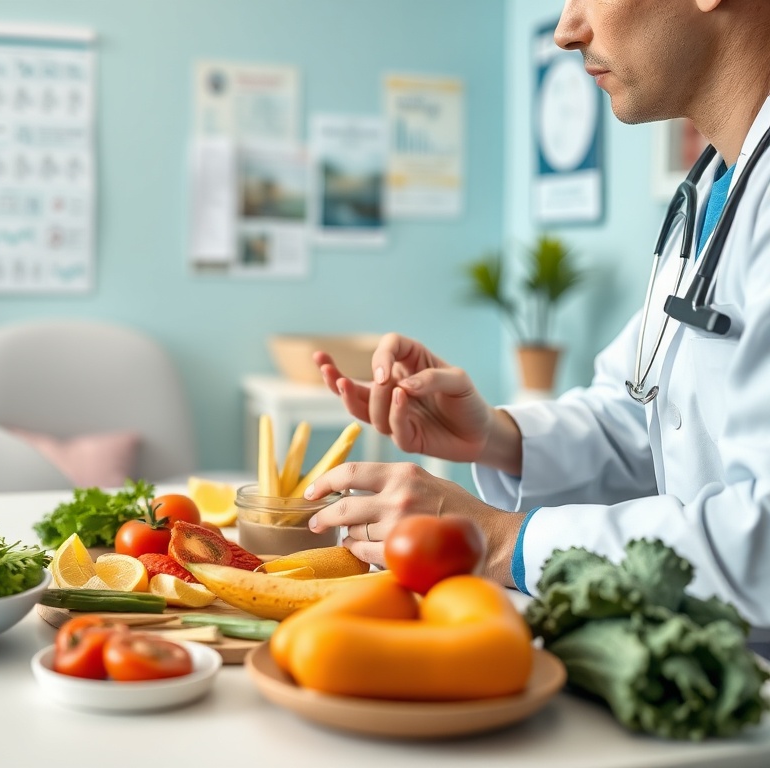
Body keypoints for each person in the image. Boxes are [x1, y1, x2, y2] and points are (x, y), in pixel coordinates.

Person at [303, 0, 770, 636]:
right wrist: (496, 437)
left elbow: (762, 536)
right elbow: (644, 416)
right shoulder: (720, 188)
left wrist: (499, 539)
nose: (565, 30)